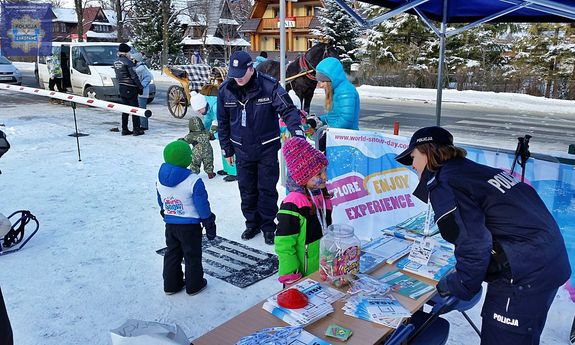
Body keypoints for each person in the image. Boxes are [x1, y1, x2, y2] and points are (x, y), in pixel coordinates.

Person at [394, 126, 571, 345]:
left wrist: (459, 284)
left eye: (413, 157)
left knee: (503, 338)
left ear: (427, 152)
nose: (413, 165)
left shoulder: (446, 182)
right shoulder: (470, 170)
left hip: (524, 275)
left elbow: (474, 243)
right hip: (545, 262)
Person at [217, 50, 305, 245]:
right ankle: (251, 223)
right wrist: (226, 149)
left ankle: (267, 226)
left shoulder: (269, 86)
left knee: (266, 189)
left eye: (241, 74)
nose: (237, 79)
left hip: (266, 148)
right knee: (246, 189)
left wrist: (297, 131)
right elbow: (222, 122)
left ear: (250, 69)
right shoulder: (226, 90)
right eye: (234, 74)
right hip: (241, 148)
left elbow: (288, 110)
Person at [156, 140, 217, 295]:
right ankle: (194, 284)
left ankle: (171, 285)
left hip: (170, 224)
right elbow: (201, 204)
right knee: (192, 255)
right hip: (189, 226)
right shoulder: (193, 181)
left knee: (172, 253)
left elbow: (160, 199)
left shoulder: (160, 179)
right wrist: (208, 220)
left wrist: (165, 210)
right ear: (187, 159)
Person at [276, 137, 331, 287]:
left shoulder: (321, 195)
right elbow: (284, 244)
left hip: (320, 268)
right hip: (299, 277)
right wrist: (290, 276)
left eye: (324, 171)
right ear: (302, 177)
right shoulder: (293, 204)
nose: (325, 177)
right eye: (319, 174)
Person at [314, 57, 359, 130]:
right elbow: (334, 116)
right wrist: (318, 120)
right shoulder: (336, 89)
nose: (321, 85)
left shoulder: (346, 91)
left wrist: (329, 131)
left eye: (323, 81)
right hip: (338, 136)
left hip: (346, 138)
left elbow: (346, 120)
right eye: (319, 81)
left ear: (332, 79)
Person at [113, 43, 144, 136]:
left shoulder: (116, 62)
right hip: (130, 87)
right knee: (135, 109)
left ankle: (124, 129)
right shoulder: (128, 62)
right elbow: (134, 76)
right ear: (126, 52)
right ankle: (136, 129)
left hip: (122, 86)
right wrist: (140, 87)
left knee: (125, 109)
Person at [182, 115, 216, 179]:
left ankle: (194, 174)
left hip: (197, 153)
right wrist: (214, 127)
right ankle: (210, 173)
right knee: (209, 162)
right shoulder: (206, 132)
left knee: (194, 163)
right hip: (208, 151)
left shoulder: (191, 135)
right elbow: (213, 136)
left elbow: (185, 141)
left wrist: (180, 140)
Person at [132, 52, 153, 130]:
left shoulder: (141, 68)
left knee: (142, 109)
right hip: (140, 91)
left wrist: (141, 85)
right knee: (140, 108)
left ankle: (144, 126)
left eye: (133, 59)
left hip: (142, 92)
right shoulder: (139, 67)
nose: (131, 60)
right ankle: (142, 124)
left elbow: (149, 77)